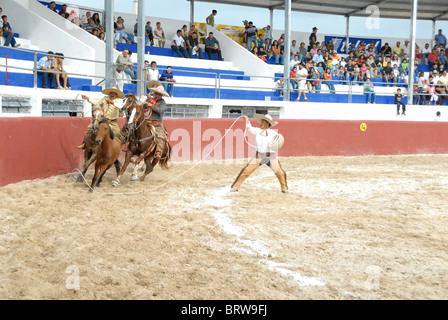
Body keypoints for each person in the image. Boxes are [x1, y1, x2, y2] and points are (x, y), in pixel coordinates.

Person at [230, 114, 288, 193]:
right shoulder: (257, 130)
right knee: (246, 170)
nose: (260, 122)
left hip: (270, 156)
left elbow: (278, 142)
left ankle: (284, 188)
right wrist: (247, 120)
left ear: (267, 123)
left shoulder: (274, 133)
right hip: (259, 155)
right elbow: (249, 128)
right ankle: (235, 187)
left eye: (262, 121)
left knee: (280, 173)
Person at [143, 85, 170, 160]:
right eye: (156, 93)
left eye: (159, 94)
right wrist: (147, 101)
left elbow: (160, 111)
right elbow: (143, 107)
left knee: (161, 137)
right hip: (146, 121)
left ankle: (158, 151)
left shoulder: (163, 102)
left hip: (156, 123)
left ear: (161, 95)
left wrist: (151, 105)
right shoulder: (149, 99)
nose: (157, 95)